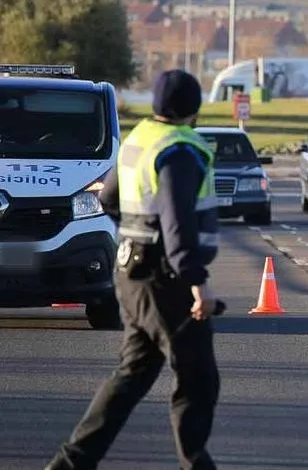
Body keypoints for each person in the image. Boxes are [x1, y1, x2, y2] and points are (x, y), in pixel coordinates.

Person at [45, 70, 222, 470]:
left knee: (131, 376)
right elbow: (177, 223)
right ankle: (196, 464)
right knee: (198, 380)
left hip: (132, 273)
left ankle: (68, 465)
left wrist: (137, 234)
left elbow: (108, 198)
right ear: (193, 109)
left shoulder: (139, 140)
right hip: (166, 279)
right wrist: (197, 282)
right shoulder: (179, 150)